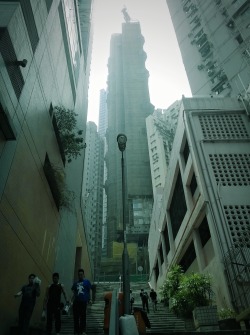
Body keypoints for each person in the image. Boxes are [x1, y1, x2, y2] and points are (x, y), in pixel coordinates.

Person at [71, 268, 92, 335]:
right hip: (76, 302)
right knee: (76, 317)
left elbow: (90, 290)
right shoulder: (75, 283)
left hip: (83, 302)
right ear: (78, 275)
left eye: (81, 274)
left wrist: (90, 299)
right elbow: (73, 292)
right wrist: (71, 301)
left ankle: (83, 331)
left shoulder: (87, 282)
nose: (80, 276)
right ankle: (76, 331)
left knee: (83, 317)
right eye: (79, 275)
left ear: (83, 275)